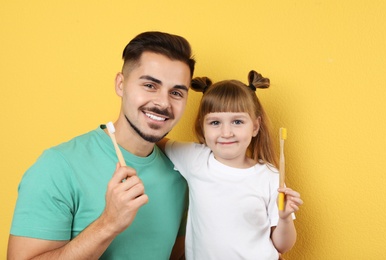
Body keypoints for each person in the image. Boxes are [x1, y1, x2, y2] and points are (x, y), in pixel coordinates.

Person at [8, 31, 195, 260]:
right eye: (149, 85)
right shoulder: (58, 166)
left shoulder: (182, 174)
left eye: (176, 93)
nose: (163, 103)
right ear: (120, 84)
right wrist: (109, 223)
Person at [157, 70, 303, 260]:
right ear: (203, 127)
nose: (226, 133)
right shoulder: (194, 159)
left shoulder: (269, 176)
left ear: (255, 126)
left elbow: (282, 246)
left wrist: (284, 219)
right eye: (215, 122)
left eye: (237, 121)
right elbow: (152, 139)